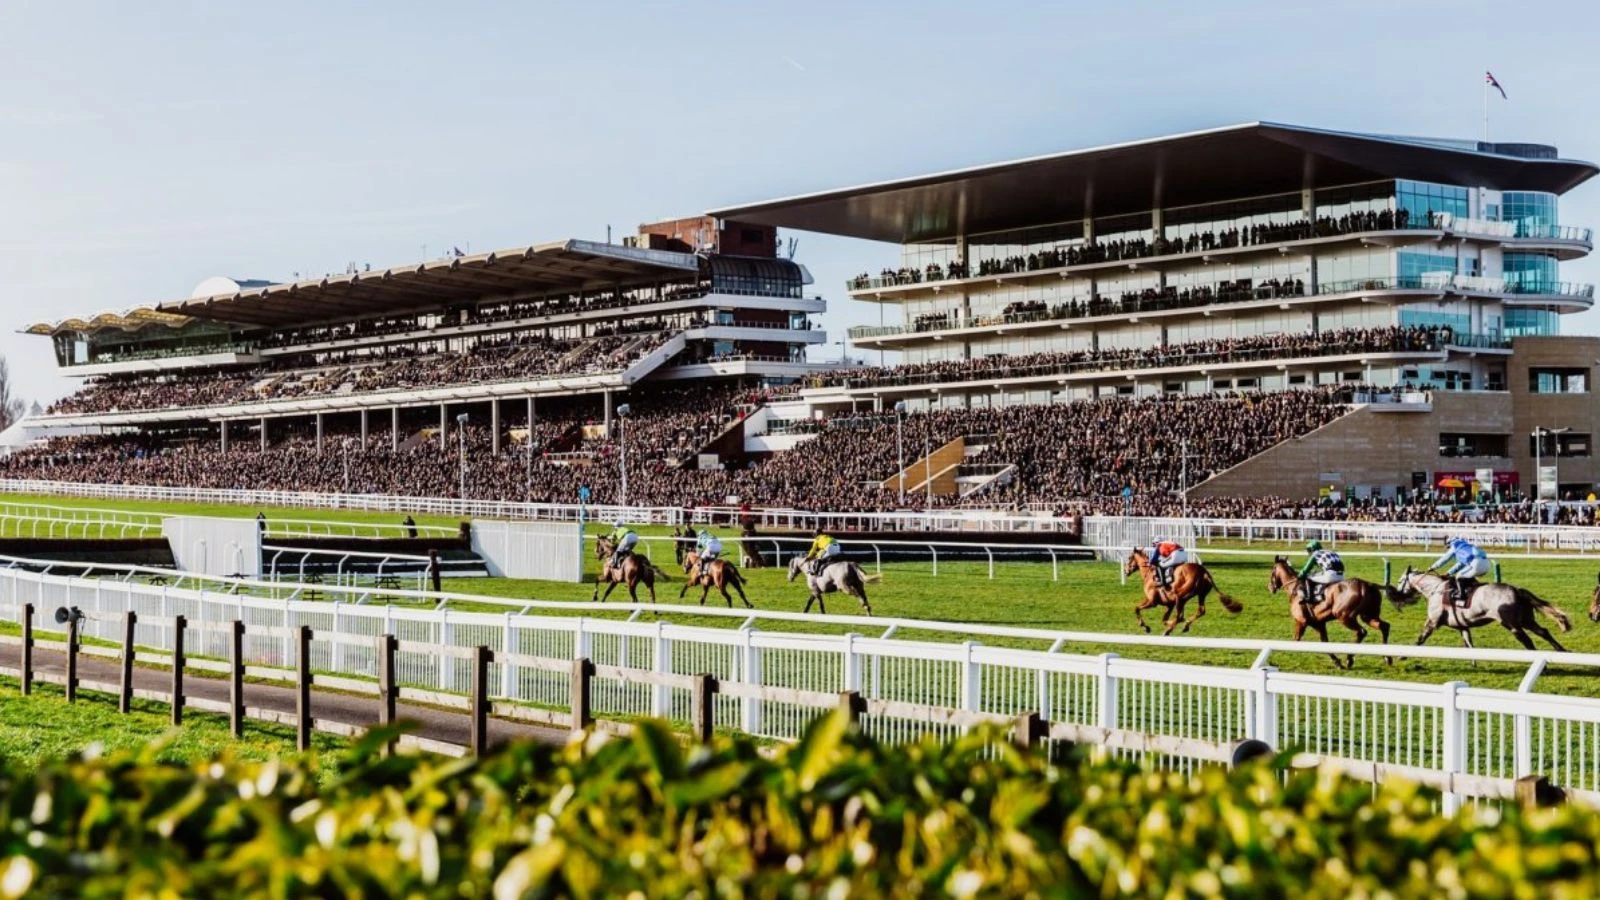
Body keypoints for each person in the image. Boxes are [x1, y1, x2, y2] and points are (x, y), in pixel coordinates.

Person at [1427, 536, 1490, 606]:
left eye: (1448, 547)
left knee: (1459, 576)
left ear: (1450, 543)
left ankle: (1462, 595)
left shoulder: (1455, 546)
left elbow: (1445, 559)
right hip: (1487, 564)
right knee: (1466, 575)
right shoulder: (1466, 547)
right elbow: (1460, 564)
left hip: (1476, 564)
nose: (1449, 549)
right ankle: (1471, 590)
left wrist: (1433, 567)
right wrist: (1448, 573)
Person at [1296, 540, 1345, 607]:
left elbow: (1305, 570)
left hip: (1330, 576)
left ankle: (1309, 598)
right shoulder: (1331, 551)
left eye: (1309, 550)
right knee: (1317, 575)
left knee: (1308, 577)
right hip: (1342, 576)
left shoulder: (1315, 554)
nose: (1309, 552)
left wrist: (1300, 575)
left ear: (1312, 549)